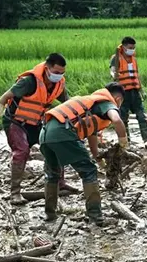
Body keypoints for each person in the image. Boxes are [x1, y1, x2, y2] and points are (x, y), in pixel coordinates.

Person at [0, 54, 76, 205]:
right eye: (56, 72)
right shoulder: (29, 82)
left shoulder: (59, 84)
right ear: (47, 69)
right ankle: (15, 193)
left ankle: (60, 183)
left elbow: (67, 103)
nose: (59, 76)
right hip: (16, 122)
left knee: (55, 146)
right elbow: (4, 97)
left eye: (62, 73)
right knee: (21, 151)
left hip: (37, 122)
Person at [39, 83, 128, 226]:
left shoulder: (89, 106)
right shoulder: (106, 102)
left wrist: (99, 160)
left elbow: (92, 138)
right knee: (89, 172)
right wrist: (123, 143)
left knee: (52, 173)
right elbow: (117, 120)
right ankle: (96, 217)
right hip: (63, 133)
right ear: (117, 99)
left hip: (45, 133)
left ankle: (50, 214)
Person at [109, 36, 147, 145]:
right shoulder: (116, 57)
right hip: (123, 92)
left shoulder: (133, 59)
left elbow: (137, 75)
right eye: (130, 47)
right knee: (123, 118)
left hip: (135, 92)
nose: (132, 49)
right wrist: (114, 75)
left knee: (141, 116)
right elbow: (112, 70)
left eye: (133, 47)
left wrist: (142, 90)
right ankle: (126, 142)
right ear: (123, 46)